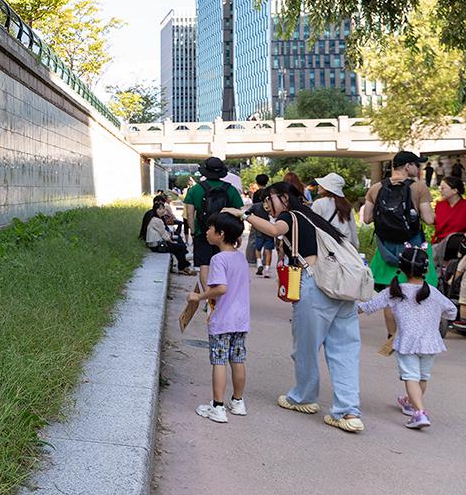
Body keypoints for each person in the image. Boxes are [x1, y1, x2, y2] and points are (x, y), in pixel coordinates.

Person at [246, 182, 364, 433]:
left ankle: (303, 398)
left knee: (306, 348)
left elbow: (274, 230)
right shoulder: (313, 218)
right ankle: (348, 412)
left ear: (284, 198)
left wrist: (246, 215)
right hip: (343, 289)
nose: (268, 206)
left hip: (316, 288)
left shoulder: (290, 216)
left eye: (270, 200)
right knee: (345, 351)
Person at [359, 247, 456, 429]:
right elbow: (452, 311)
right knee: (422, 377)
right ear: (426, 270)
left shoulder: (395, 291)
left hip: (407, 343)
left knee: (411, 377)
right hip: (430, 343)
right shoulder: (433, 293)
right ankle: (410, 404)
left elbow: (368, 306)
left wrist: (345, 310)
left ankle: (420, 413)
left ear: (401, 268)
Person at [361, 151, 437, 354]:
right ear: (407, 166)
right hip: (412, 250)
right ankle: (412, 339)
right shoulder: (419, 187)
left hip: (386, 251)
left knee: (390, 294)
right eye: (416, 165)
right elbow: (429, 219)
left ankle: (392, 338)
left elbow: (367, 219)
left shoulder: (376, 188)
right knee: (416, 293)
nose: (419, 169)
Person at [189, 212, 251, 423]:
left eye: (210, 228)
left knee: (219, 362)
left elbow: (220, 288)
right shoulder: (240, 257)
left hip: (222, 320)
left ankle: (217, 406)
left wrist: (199, 296)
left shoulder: (218, 259)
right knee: (238, 359)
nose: (206, 232)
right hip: (241, 320)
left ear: (221, 233)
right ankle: (238, 402)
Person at [183, 157, 245, 289]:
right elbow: (238, 213)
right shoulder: (231, 189)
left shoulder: (195, 190)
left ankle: (208, 298)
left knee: (204, 265)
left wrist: (194, 232)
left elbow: (189, 214)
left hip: (203, 231)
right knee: (223, 264)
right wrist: (237, 235)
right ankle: (220, 295)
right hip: (225, 233)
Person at [312, 172, 359, 250]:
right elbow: (352, 228)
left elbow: (312, 226)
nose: (319, 186)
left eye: (322, 184)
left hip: (327, 246)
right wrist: (355, 248)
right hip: (345, 246)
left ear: (327, 188)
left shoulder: (319, 203)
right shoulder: (346, 204)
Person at [145, 201, 195, 275]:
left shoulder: (154, 219)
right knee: (180, 247)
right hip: (157, 245)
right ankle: (184, 264)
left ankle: (184, 266)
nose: (162, 211)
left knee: (178, 248)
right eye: (159, 209)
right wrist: (171, 241)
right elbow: (164, 235)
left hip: (156, 244)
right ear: (155, 210)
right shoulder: (157, 220)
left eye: (163, 209)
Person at [432, 175, 466, 244]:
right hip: (438, 246)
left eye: (443, 188)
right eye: (440, 188)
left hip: (458, 246)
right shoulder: (439, 205)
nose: (440, 191)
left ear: (455, 190)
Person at [245, 173, 271, 268]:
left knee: (253, 239)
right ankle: (265, 261)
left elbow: (254, 206)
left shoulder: (256, 193)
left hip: (256, 219)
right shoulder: (269, 192)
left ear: (257, 182)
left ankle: (251, 259)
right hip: (267, 219)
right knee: (267, 240)